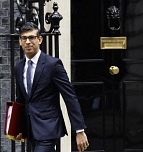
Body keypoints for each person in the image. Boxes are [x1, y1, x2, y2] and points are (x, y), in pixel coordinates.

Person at [14, 22, 89, 152]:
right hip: (30, 127)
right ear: (20, 41)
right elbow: (20, 99)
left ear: (40, 39)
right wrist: (17, 126)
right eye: (24, 38)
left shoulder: (53, 64)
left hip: (49, 127)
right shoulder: (19, 67)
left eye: (31, 37)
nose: (28, 42)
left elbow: (69, 97)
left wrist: (79, 130)